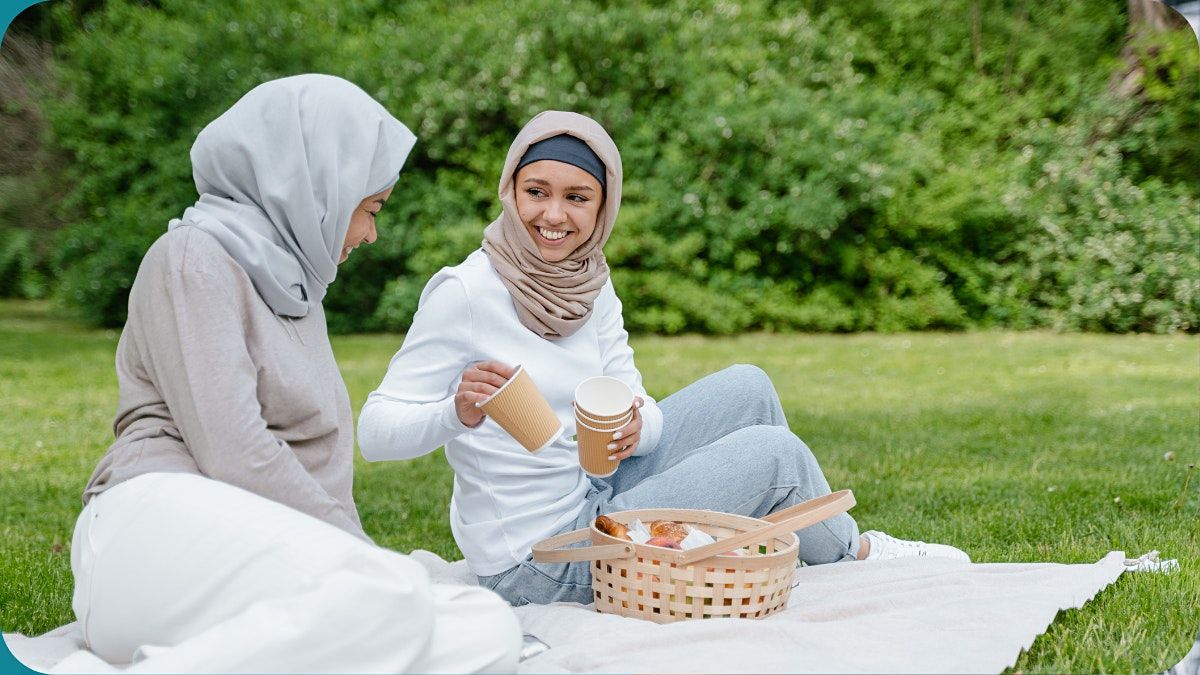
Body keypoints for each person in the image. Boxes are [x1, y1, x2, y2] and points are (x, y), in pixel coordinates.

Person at [357, 110, 969, 607]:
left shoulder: (590, 283)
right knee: (775, 455)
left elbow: (638, 402)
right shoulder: (464, 293)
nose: (552, 215)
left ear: (602, 209)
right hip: (540, 560)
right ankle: (848, 555)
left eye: (577, 197)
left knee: (749, 386)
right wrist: (456, 414)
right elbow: (373, 433)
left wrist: (634, 426)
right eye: (535, 192)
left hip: (594, 484)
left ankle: (775, 546)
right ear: (510, 191)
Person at [63, 74, 520, 673]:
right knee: (398, 594)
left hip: (260, 551)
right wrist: (365, 558)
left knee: (488, 627)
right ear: (317, 186)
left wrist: (365, 563)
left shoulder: (298, 291)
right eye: (370, 209)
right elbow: (234, 449)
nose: (370, 233)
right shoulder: (191, 258)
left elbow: (317, 477)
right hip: (149, 527)